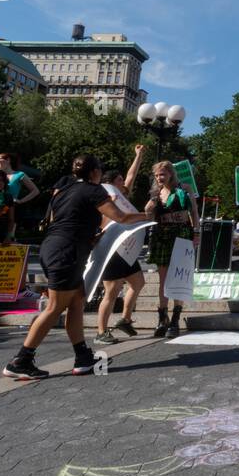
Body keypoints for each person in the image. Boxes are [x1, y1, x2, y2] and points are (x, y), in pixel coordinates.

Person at [2, 154, 149, 379]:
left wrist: (89, 236)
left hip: (54, 247)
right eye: (99, 169)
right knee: (54, 307)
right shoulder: (94, 190)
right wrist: (147, 215)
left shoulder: (63, 191)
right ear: (94, 172)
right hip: (67, 253)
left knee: (77, 301)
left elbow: (62, 220)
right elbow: (120, 217)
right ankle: (21, 360)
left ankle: (83, 358)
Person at [94, 145, 148, 345]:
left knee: (138, 282)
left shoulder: (122, 196)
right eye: (119, 180)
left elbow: (131, 175)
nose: (124, 183)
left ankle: (125, 319)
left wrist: (139, 156)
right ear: (110, 183)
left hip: (128, 251)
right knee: (112, 291)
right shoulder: (105, 198)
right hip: (114, 249)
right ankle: (101, 331)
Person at [146, 158, 202, 337]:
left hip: (182, 234)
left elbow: (193, 211)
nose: (159, 178)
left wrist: (196, 232)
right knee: (163, 279)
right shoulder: (156, 193)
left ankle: (176, 319)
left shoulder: (185, 189)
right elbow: (149, 215)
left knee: (178, 277)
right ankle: (162, 318)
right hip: (162, 236)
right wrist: (150, 207)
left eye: (162, 174)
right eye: (156, 175)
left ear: (170, 173)